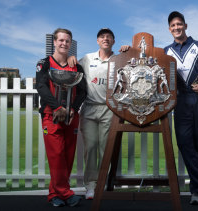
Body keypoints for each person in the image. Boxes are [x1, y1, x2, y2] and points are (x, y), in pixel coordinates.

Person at [67, 28, 129, 200]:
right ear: (97, 41)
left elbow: (133, 65)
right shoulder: (87, 59)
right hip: (89, 108)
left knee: (105, 149)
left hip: (109, 108)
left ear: (114, 41)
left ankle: (102, 183)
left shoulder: (118, 59)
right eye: (102, 36)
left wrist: (128, 50)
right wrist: (70, 58)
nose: (105, 39)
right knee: (91, 147)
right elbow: (71, 68)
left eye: (109, 37)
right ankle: (91, 186)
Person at [164, 11, 198, 205]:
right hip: (181, 100)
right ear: (169, 30)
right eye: (173, 26)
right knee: (184, 143)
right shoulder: (165, 52)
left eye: (179, 24)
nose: (176, 28)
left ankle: (197, 191)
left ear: (185, 26)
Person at [36, 28, 87, 207]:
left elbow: (83, 91)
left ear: (70, 44)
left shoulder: (76, 66)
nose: (64, 43)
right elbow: (41, 88)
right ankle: (66, 194)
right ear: (55, 42)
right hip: (52, 115)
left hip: (72, 116)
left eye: (67, 41)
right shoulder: (44, 63)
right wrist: (57, 107)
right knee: (56, 155)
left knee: (67, 156)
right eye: (61, 40)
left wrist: (73, 107)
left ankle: (54, 195)